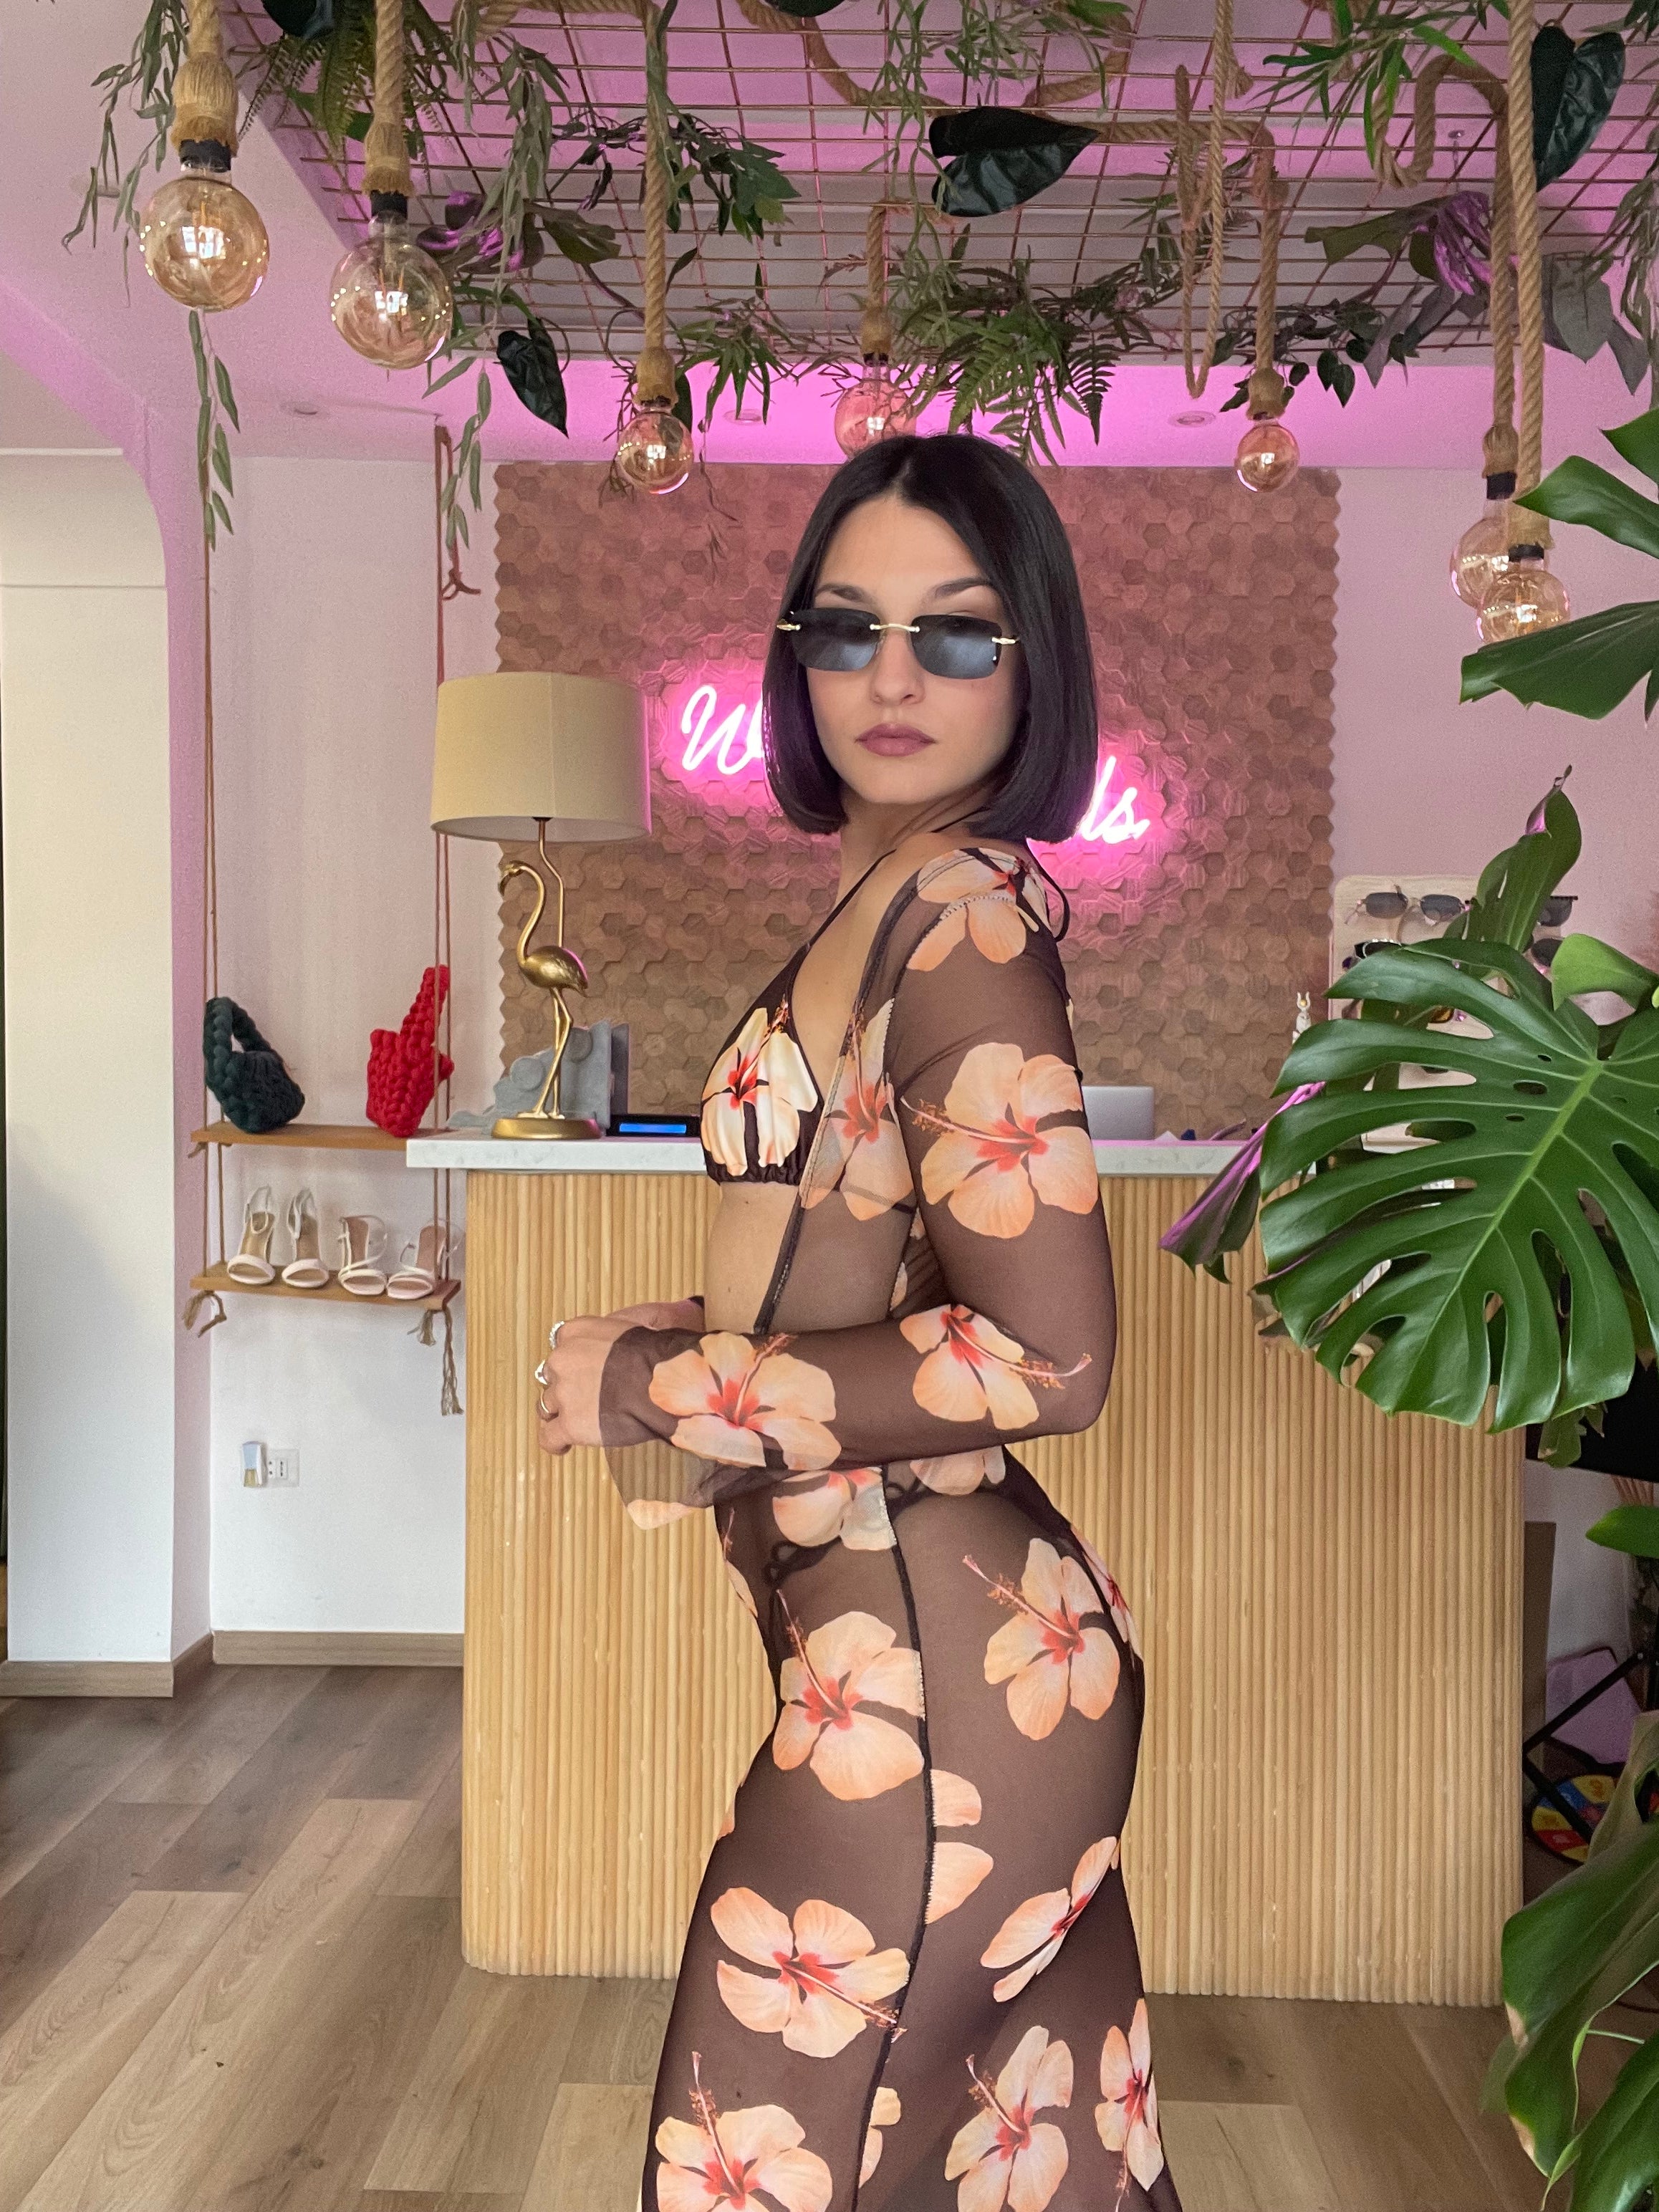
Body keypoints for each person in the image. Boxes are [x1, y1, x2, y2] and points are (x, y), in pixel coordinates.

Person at [534, 434, 1180, 2212]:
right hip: (924, 1666)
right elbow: (868, 1260)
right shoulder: (897, 894)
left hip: (934, 1695)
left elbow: (1048, 1356)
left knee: (753, 2166)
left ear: (1034, 661)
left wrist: (658, 1382)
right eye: (847, 626)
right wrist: (705, 1328)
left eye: (958, 633)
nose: (894, 677)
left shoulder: (964, 923)